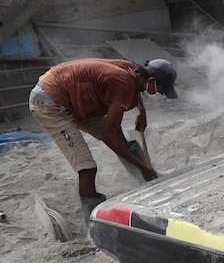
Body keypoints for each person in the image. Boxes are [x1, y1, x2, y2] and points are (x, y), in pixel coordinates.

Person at [29, 58, 178, 221]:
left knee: (120, 138)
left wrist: (141, 111)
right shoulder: (123, 84)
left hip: (70, 94)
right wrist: (141, 166)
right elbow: (108, 136)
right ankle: (91, 222)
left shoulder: (133, 70)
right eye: (161, 90)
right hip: (51, 102)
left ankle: (146, 178)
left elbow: (134, 88)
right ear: (151, 81)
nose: (161, 94)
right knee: (87, 168)